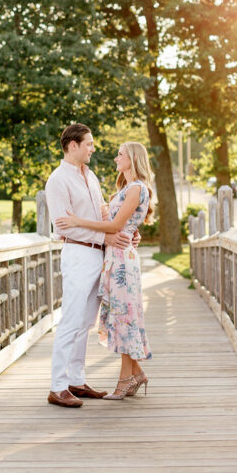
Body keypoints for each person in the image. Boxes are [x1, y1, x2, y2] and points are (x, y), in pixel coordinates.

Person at [56, 141, 154, 400]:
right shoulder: (125, 189)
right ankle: (137, 374)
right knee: (121, 315)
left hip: (122, 261)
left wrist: (76, 220)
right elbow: (117, 222)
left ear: (132, 159)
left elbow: (114, 226)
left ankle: (125, 381)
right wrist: (131, 232)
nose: (115, 159)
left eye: (119, 155)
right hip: (114, 258)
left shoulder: (136, 188)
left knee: (124, 316)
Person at [45, 123, 134, 408]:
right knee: (71, 319)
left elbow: (102, 212)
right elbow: (64, 226)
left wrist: (124, 230)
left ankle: (76, 380)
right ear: (74, 146)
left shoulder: (91, 175)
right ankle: (57, 386)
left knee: (85, 322)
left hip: (99, 255)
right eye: (89, 144)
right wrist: (105, 236)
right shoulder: (58, 180)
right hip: (78, 254)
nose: (93, 149)